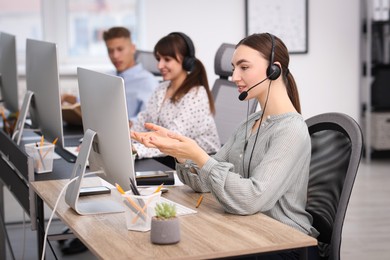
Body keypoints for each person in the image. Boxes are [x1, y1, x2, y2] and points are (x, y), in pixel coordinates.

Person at [131, 33, 319, 259]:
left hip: (282, 242)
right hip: (250, 230)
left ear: (274, 70)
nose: (234, 77)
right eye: (233, 68)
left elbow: (251, 198)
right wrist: (179, 152)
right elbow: (203, 183)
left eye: (244, 67)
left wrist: (200, 156)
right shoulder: (249, 124)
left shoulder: (291, 130)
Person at [131, 32, 220, 161]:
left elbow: (172, 140)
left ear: (186, 61)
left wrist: (135, 149)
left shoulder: (196, 95)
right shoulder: (162, 88)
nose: (160, 65)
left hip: (196, 166)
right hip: (168, 158)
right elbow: (144, 120)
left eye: (167, 59)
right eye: (159, 59)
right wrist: (127, 137)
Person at [61, 26, 158, 122]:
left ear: (133, 48)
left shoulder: (148, 82)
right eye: (110, 51)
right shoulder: (108, 77)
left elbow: (148, 119)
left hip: (129, 135)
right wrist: (65, 97)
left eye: (120, 49)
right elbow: (89, 101)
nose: (115, 56)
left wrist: (124, 125)